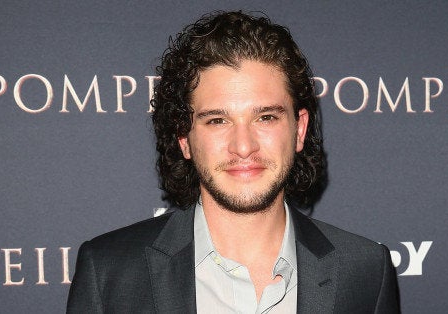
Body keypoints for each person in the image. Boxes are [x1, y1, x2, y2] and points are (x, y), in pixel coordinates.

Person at [67, 11, 400, 313]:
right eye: (217, 121)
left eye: (266, 117)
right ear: (184, 139)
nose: (243, 146)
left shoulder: (365, 271)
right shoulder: (109, 271)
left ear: (299, 130)